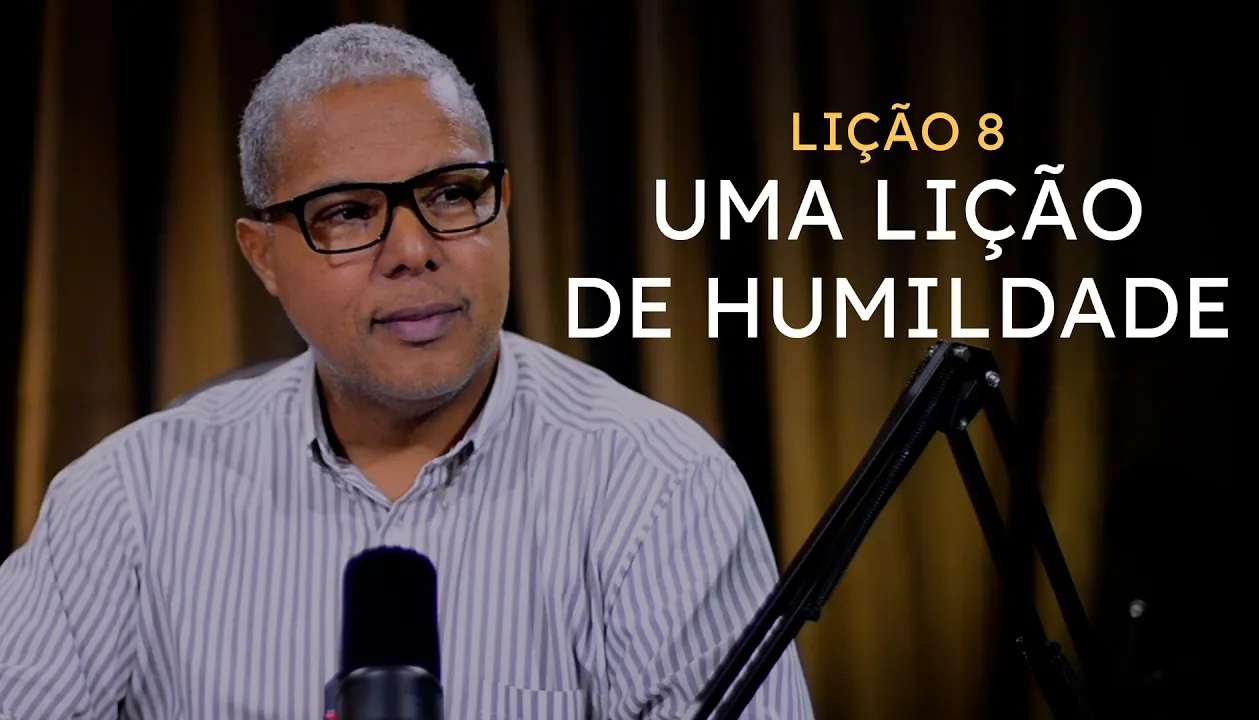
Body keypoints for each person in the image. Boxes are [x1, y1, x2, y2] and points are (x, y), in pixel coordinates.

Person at [0, 23, 813, 720]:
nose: (415, 249)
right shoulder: (127, 500)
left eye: (453, 194)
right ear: (263, 257)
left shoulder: (662, 487)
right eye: (348, 213)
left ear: (503, 203)